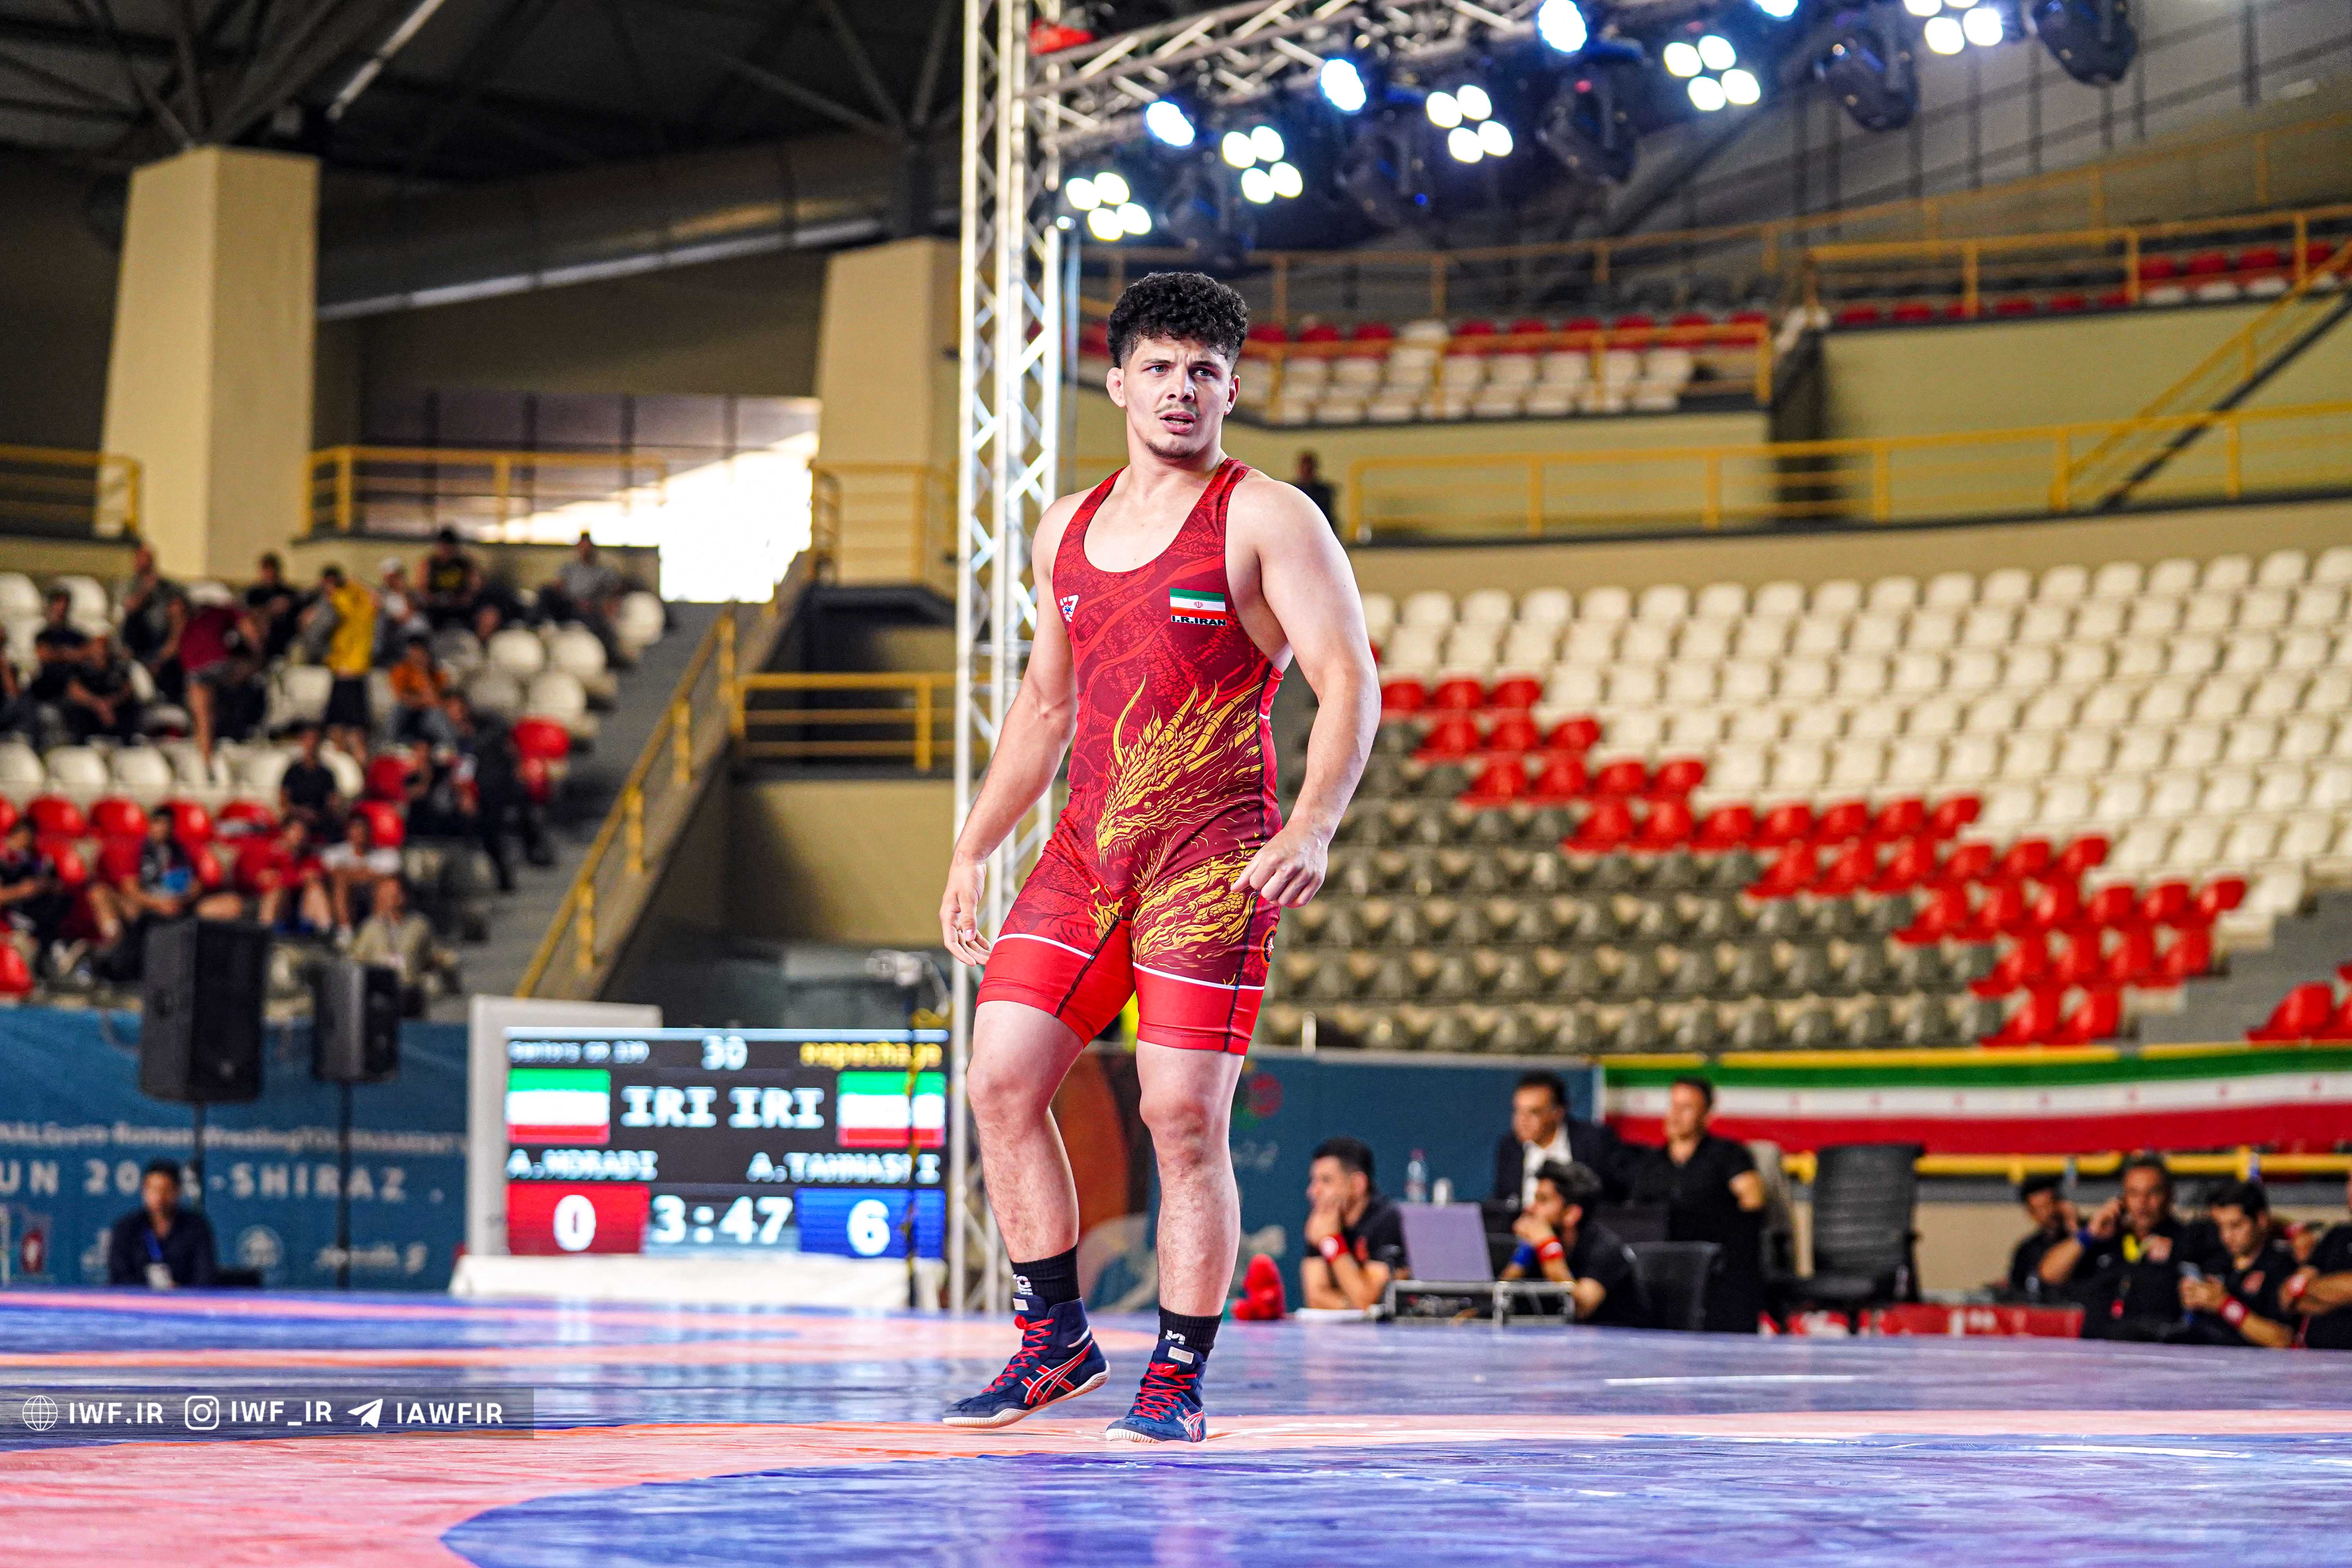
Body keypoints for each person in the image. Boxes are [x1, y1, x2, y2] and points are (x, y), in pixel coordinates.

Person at [936, 272, 1378, 1443]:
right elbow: (1044, 707)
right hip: (1084, 856)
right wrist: (974, 847)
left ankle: (1176, 1375)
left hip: (1210, 861)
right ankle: (1053, 1340)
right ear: (1118, 382)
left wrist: (1312, 826)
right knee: (998, 1082)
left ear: (1230, 389)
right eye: (1160, 368)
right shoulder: (1063, 528)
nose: (1181, 389)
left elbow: (1348, 680)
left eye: (1203, 371)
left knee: (1179, 1116)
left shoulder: (1266, 516)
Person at [1628, 1076, 1767, 1333]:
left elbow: (1753, 1201)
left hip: (1716, 1265)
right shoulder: (1651, 1164)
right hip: (1663, 1263)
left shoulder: (1728, 1154)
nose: (1675, 1115)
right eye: (1673, 1106)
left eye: (1687, 1108)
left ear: (1707, 1115)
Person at [2038, 1153, 2215, 1340]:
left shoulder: (2188, 1241)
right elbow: (2050, 1275)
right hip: (2097, 1351)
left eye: (2153, 1192)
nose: (2143, 1202)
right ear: (2122, 1198)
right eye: (2134, 1193)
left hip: (2155, 1351)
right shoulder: (2105, 1239)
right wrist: (2089, 1234)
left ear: (2169, 1195)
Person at [1501, 1161, 1648, 1327]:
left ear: (1571, 1214)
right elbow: (1501, 1298)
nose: (1531, 1208)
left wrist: (1548, 1246)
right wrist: (1526, 1252)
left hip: (1618, 1339)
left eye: (1543, 1200)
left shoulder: (1606, 1249)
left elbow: (1581, 1308)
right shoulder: (1538, 1247)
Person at [2178, 1178, 2296, 1348]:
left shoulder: (2281, 1266)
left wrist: (2225, 1305)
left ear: (2261, 1220)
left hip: (2256, 1361)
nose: (2226, 1236)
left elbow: (2283, 1339)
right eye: (2220, 1227)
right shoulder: (2214, 1259)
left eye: (2236, 1226)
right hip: (2206, 1354)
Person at [1490, 1069, 1628, 1211]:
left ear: (1558, 1112)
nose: (1522, 1121)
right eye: (1518, 1111)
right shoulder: (1510, 1148)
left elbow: (1616, 1198)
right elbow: (1504, 1204)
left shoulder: (1593, 1141)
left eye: (1534, 1112)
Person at [1299, 1136, 1405, 1311]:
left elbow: (1366, 1300)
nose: (1312, 1192)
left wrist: (1332, 1242)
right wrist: (1351, 1305)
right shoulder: (1322, 1218)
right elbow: (1315, 1298)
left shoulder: (1387, 1220)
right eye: (1313, 1180)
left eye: (1326, 1181)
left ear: (1357, 1184)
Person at [105, 1159, 218, 1288]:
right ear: (143, 1191)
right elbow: (119, 1276)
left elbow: (205, 1275)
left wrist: (180, 1291)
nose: (160, 1197)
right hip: (136, 1298)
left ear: (178, 1191)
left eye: (166, 1190)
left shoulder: (196, 1227)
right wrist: (148, 1292)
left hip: (185, 1298)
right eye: (153, 1189)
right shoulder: (126, 1228)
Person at [348, 878, 443, 1014]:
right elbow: (356, 959)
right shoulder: (371, 928)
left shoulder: (420, 926)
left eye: (395, 894)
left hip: (410, 992)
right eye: (385, 895)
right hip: (379, 993)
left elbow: (431, 958)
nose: (391, 899)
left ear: (404, 896)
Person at [2281, 1169, 2352, 1349]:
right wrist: (2338, 1294)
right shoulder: (2337, 1235)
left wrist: (2309, 1289)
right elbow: (2289, 1298)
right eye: (2350, 1181)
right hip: (2315, 1357)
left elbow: (2300, 1286)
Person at [312, 565, 378, 759]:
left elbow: (315, 633)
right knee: (352, 733)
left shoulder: (335, 602)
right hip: (352, 672)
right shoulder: (361, 601)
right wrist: (357, 584)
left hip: (347, 673)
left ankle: (354, 769)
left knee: (343, 733)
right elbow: (376, 600)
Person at [0, 817, 72, 975]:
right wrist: (22, 890)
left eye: (29, 839)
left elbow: (57, 885)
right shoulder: (4, 861)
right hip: (11, 916)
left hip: (39, 914)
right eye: (21, 838)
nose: (24, 844)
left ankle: (58, 956)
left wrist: (45, 885)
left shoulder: (38, 861)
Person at [541, 532, 625, 656]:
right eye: (581, 547)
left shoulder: (602, 571)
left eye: (587, 548)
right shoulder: (570, 568)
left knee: (600, 625)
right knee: (546, 592)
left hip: (590, 609)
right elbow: (558, 587)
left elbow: (614, 590)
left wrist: (598, 604)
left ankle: (611, 654)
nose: (584, 551)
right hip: (569, 605)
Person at [319, 812, 401, 937]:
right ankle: (345, 931)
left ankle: (380, 931)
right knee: (340, 881)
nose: (360, 833)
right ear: (347, 832)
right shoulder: (333, 853)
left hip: (374, 894)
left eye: (363, 829)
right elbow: (334, 875)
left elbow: (391, 876)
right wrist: (369, 874)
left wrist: (353, 874)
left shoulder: (387, 854)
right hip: (347, 894)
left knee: (390, 886)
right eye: (356, 829)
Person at [2001, 1173, 2079, 1303]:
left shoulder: (2089, 1234)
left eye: (2052, 1203)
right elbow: (2017, 1290)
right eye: (2042, 1208)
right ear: (2031, 1213)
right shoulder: (2027, 1251)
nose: (2050, 1212)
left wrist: (2076, 1228)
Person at [114, 543, 178, 666]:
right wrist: (145, 591)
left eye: (146, 558)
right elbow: (129, 607)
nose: (141, 563)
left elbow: (179, 609)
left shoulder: (167, 587)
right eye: (139, 558)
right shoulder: (128, 585)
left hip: (162, 636)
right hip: (136, 638)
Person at [277, 724, 343, 841]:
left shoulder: (327, 774)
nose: (311, 744)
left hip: (319, 818)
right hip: (296, 817)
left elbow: (332, 804)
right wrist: (301, 812)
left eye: (315, 740)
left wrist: (317, 815)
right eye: (308, 739)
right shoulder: (293, 772)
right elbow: (284, 802)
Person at [386, 635, 450, 744]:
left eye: (420, 651)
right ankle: (390, 743)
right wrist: (424, 700)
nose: (417, 656)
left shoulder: (437, 674)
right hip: (408, 714)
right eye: (414, 651)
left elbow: (436, 702)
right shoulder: (400, 670)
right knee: (398, 710)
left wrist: (423, 672)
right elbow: (404, 699)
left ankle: (448, 746)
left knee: (437, 713)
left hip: (427, 716)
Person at [420, 527, 481, 630]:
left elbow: (475, 586)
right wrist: (433, 599)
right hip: (436, 608)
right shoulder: (430, 563)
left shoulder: (464, 564)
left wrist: (463, 598)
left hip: (460, 608)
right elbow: (422, 588)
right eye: (443, 547)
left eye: (449, 547)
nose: (446, 551)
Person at [243, 552, 301, 661]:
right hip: (260, 637)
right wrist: (270, 610)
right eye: (267, 570)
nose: (270, 574)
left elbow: (298, 613)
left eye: (272, 570)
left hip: (283, 635)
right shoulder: (254, 594)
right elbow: (248, 615)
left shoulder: (288, 593)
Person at [1292, 450, 1338, 532]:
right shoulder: (1292, 491)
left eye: (1309, 469)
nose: (1306, 471)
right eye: (1304, 468)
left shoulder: (1325, 492)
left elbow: (1328, 518)